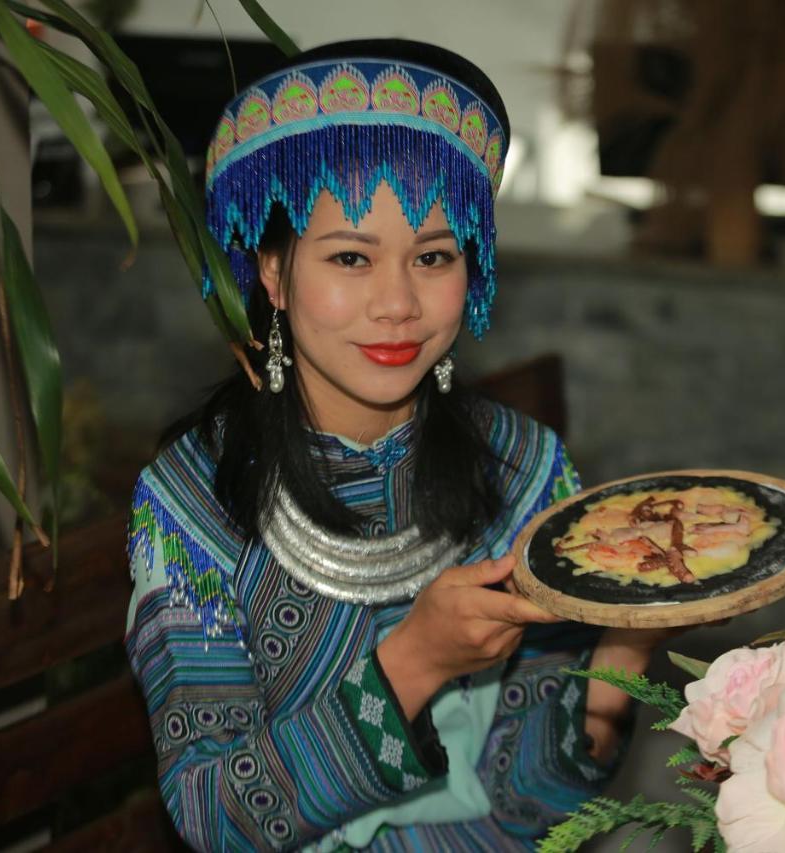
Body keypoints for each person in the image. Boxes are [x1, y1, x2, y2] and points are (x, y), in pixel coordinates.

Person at [124, 38, 674, 851]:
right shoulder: (191, 503)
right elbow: (215, 818)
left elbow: (528, 807)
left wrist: (629, 637)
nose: (398, 303)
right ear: (273, 273)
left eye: (433, 256)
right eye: (351, 256)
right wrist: (414, 660)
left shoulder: (523, 471)